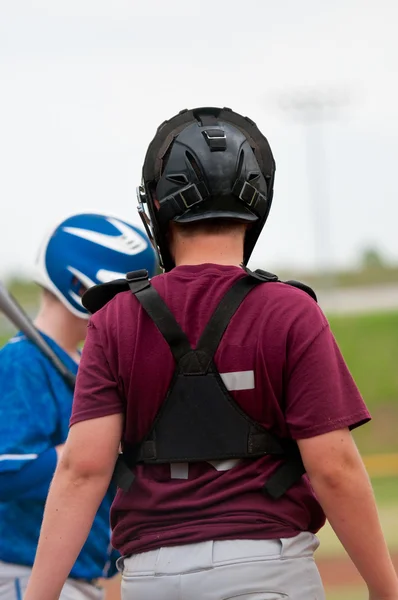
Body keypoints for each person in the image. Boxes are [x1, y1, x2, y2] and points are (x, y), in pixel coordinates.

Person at [24, 108, 398, 600]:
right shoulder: (289, 311)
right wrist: (384, 588)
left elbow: (82, 470)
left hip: (153, 574)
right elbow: (334, 467)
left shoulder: (115, 318)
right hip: (268, 568)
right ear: (258, 202)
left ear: (156, 207)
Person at [0, 212, 157, 600]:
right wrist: (92, 448)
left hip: (75, 579)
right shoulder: (22, 364)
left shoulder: (86, 364)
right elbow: (6, 470)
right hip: (26, 576)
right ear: (81, 285)